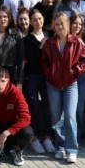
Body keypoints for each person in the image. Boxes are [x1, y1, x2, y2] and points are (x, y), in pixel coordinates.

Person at [41, 12, 85, 164]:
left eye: (62, 24)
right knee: (56, 118)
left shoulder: (76, 41)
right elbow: (43, 62)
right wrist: (49, 73)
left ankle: (72, 149)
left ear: (67, 25)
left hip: (71, 84)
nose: (59, 27)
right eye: (56, 24)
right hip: (53, 85)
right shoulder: (50, 43)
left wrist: (76, 70)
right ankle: (60, 147)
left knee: (70, 116)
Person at [22, 9, 57, 154]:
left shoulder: (50, 37)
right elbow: (27, 60)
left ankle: (47, 137)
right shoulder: (26, 40)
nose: (38, 22)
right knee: (34, 108)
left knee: (48, 107)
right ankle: (34, 138)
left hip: (48, 77)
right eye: (34, 19)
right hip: (32, 76)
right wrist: (40, 49)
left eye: (40, 18)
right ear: (31, 22)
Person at [0, 7, 24, 88]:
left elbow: (21, 59)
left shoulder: (16, 34)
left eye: (5, 16)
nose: (2, 19)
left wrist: (20, 81)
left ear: (9, 17)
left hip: (11, 75)